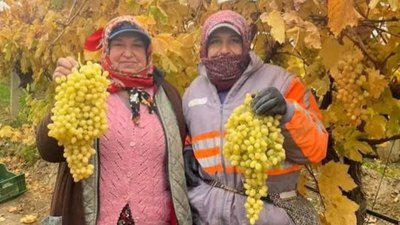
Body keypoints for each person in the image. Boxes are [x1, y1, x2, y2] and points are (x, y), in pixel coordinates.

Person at [36, 15, 192, 225]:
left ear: (147, 52)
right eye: (119, 44)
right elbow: (48, 151)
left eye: (137, 46)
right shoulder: (89, 89)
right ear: (106, 50)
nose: (128, 53)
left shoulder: (168, 96)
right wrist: (68, 97)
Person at [182, 10, 328, 225]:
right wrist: (187, 149)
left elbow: (317, 148)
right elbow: (195, 132)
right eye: (216, 42)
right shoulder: (192, 92)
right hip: (206, 215)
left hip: (267, 214)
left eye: (233, 41)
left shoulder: (283, 83)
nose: (224, 50)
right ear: (205, 47)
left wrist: (288, 112)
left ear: (246, 45)